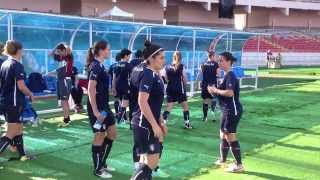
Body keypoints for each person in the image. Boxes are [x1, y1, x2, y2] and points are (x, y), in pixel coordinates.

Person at [131, 41, 167, 180]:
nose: (164, 60)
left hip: (145, 121)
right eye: (161, 58)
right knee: (152, 162)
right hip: (143, 123)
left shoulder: (151, 73)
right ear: (151, 59)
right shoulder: (148, 74)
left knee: (146, 161)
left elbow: (154, 102)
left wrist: (161, 122)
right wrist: (154, 125)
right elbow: (142, 101)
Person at [208, 52, 244, 173]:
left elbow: (230, 93)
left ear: (229, 62)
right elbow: (221, 94)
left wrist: (216, 90)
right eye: (219, 60)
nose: (219, 62)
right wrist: (213, 91)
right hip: (226, 110)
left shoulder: (230, 76)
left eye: (222, 60)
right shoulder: (226, 75)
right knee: (223, 134)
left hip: (232, 110)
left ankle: (239, 165)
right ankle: (223, 160)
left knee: (230, 135)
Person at [86, 40, 117, 178]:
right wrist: (96, 111)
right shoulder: (95, 67)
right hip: (97, 109)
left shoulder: (101, 66)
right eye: (108, 49)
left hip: (104, 107)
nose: (109, 51)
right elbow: (90, 89)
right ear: (101, 50)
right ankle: (98, 169)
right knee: (99, 136)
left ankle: (102, 163)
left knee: (112, 133)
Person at [0, 40, 34, 161]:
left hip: (6, 101)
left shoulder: (4, 64)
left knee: (19, 128)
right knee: (12, 132)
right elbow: (21, 86)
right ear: (19, 50)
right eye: (22, 49)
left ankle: (22, 155)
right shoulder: (16, 65)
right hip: (13, 102)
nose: (23, 51)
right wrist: (30, 94)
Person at [162, 51, 192, 129]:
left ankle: (162, 122)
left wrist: (169, 81)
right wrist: (185, 85)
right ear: (181, 58)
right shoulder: (181, 66)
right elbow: (185, 79)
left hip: (170, 88)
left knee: (169, 107)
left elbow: (164, 77)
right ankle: (187, 124)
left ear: (173, 57)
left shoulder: (167, 66)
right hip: (179, 88)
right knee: (185, 107)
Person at [49, 43, 74, 127]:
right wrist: (56, 48)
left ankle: (66, 120)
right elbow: (51, 54)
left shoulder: (68, 56)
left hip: (65, 80)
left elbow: (68, 49)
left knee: (64, 101)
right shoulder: (61, 57)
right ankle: (66, 118)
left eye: (60, 51)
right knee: (63, 101)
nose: (58, 53)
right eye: (58, 52)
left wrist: (61, 46)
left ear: (64, 50)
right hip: (60, 80)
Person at [112, 48, 133, 125]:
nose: (129, 57)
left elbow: (113, 78)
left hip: (117, 86)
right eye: (129, 56)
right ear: (125, 56)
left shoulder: (116, 65)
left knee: (121, 102)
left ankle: (123, 119)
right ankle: (118, 120)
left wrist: (113, 87)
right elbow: (131, 77)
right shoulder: (128, 65)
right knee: (125, 104)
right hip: (125, 86)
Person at [198, 50, 219, 122]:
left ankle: (205, 117)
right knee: (214, 99)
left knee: (205, 100)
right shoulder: (216, 64)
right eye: (215, 56)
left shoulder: (203, 64)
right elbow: (218, 74)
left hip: (205, 85)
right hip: (212, 84)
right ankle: (212, 113)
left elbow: (200, 74)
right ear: (212, 56)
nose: (215, 57)